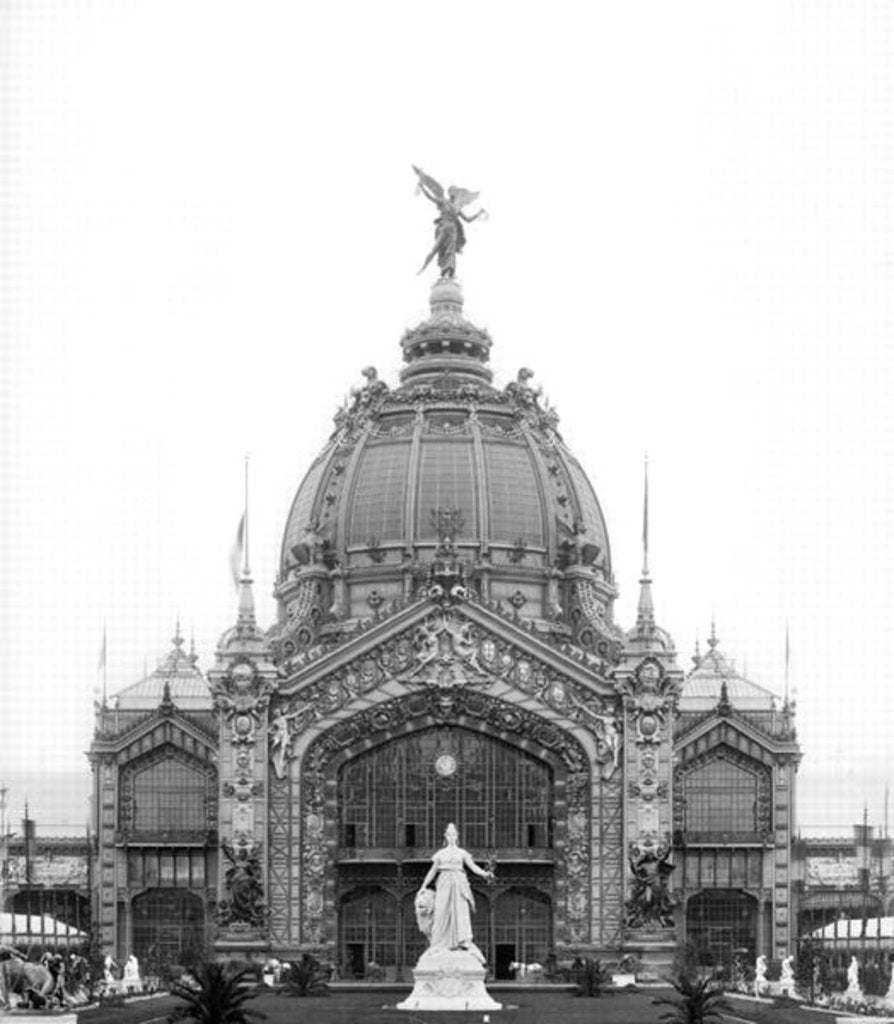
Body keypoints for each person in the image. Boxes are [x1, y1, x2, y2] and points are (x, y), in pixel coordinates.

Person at [417, 823, 494, 962]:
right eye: (449, 834)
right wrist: (423, 886)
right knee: (441, 911)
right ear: (445, 837)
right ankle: (439, 943)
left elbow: (473, 867)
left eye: (454, 834)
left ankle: (462, 941)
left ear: (457, 836)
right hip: (444, 882)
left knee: (460, 911)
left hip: (459, 882)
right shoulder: (440, 854)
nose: (451, 837)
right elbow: (433, 871)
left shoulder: (462, 853)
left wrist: (485, 874)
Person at [413, 166, 487, 279]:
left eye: (455, 191)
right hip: (443, 227)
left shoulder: (457, 208)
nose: (454, 193)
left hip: (452, 230)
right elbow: (431, 197)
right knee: (435, 249)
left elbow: (467, 220)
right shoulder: (443, 201)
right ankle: (423, 267)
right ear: (449, 192)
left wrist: (478, 214)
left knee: (450, 252)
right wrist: (422, 188)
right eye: (452, 191)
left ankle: (448, 273)